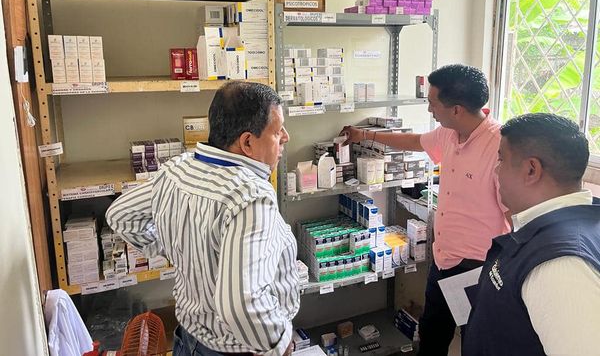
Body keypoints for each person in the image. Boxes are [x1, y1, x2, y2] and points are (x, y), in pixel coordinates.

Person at [106, 81, 299, 356]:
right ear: (247, 142)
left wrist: (175, 246)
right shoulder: (250, 197)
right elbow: (242, 303)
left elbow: (121, 214)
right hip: (238, 350)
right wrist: (278, 343)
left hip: (189, 341)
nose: (286, 137)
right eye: (277, 131)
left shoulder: (178, 169)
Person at [340, 64, 510, 355]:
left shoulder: (499, 148)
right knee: (432, 335)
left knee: (476, 341)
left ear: (456, 109)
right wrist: (365, 135)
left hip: (477, 268)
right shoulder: (449, 133)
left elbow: (514, 216)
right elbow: (416, 142)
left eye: (432, 103)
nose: (429, 109)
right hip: (443, 258)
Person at [463, 113, 600, 356]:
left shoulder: (560, 267)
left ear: (531, 170)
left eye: (501, 160)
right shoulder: (562, 224)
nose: (496, 170)